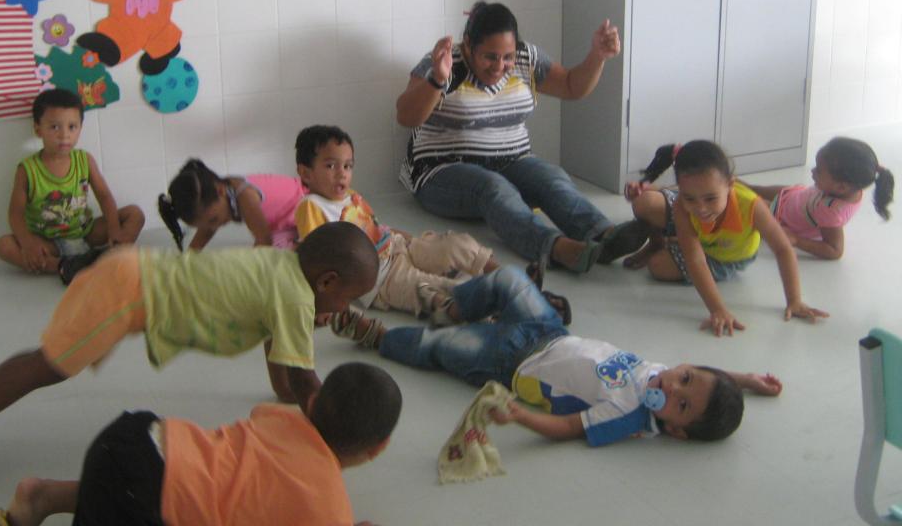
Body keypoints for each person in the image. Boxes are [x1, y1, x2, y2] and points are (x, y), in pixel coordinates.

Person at [0, 222, 378, 509]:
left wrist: (288, 388)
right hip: (128, 293)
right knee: (49, 365)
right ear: (326, 281)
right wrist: (336, 437)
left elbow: (286, 371)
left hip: (134, 273)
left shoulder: (282, 267)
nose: (344, 308)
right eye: (348, 298)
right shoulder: (295, 299)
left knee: (48, 361)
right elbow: (303, 380)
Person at [332, 266, 781, 446]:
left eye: (681, 404)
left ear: (677, 431)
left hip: (511, 364)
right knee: (508, 278)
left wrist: (520, 416)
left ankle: (376, 336)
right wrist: (745, 379)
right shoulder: (663, 374)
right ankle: (451, 307)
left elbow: (568, 428)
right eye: (685, 378)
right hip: (549, 332)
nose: (672, 386)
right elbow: (707, 377)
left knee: (440, 347)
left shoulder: (628, 415)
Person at [395, 0, 649, 275]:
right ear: (468, 45)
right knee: (493, 187)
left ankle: (603, 235)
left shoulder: (527, 58)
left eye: (507, 57)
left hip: (512, 161)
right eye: (490, 57)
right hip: (439, 172)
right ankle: (555, 249)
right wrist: (437, 79)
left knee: (552, 178)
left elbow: (571, 86)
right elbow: (406, 117)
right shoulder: (444, 62)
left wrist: (597, 56)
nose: (499, 66)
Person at [0, 362, 402, 526]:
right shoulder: (329, 507)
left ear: (310, 403)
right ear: (379, 448)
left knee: (127, 485)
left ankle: (40, 496)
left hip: (140, 434)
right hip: (145, 499)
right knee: (141, 494)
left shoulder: (280, 417)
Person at [293, 124, 535, 322]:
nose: (342, 173)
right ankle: (490, 306)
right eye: (331, 166)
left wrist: (409, 239)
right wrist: (321, 305)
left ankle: (506, 275)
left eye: (347, 166)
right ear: (305, 173)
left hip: (398, 247)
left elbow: (377, 227)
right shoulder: (311, 206)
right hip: (379, 277)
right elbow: (315, 260)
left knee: (452, 245)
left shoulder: (351, 196)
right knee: (429, 288)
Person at [621, 140, 829, 336]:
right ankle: (665, 240)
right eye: (689, 197)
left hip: (725, 257)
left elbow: (783, 249)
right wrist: (654, 190)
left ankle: (672, 240)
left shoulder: (752, 206)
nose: (701, 208)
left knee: (657, 265)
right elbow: (694, 258)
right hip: (702, 241)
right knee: (644, 201)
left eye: (711, 198)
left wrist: (794, 300)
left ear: (730, 184)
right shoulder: (682, 206)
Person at [0, 88, 145, 285]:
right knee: (3, 245)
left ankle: (109, 255)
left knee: (135, 214)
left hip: (86, 233)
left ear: (80, 128)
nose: (64, 135)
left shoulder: (85, 160)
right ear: (38, 129)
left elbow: (104, 196)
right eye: (54, 127)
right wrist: (28, 243)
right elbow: (15, 214)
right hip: (48, 242)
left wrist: (114, 229)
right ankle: (63, 266)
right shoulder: (27, 170)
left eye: (72, 127)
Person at [743, 137, 894, 260]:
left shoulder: (830, 211)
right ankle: (733, 182)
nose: (813, 171)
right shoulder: (854, 188)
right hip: (794, 197)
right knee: (754, 189)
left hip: (782, 216)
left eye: (819, 170)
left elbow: (835, 250)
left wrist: (796, 240)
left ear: (841, 187)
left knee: (749, 203)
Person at [158, 158, 306, 251]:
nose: (214, 226)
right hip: (283, 225)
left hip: (310, 211)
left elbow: (264, 240)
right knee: (277, 250)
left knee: (282, 260)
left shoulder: (245, 197)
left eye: (214, 220)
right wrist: (188, 257)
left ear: (220, 190)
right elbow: (207, 229)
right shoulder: (222, 189)